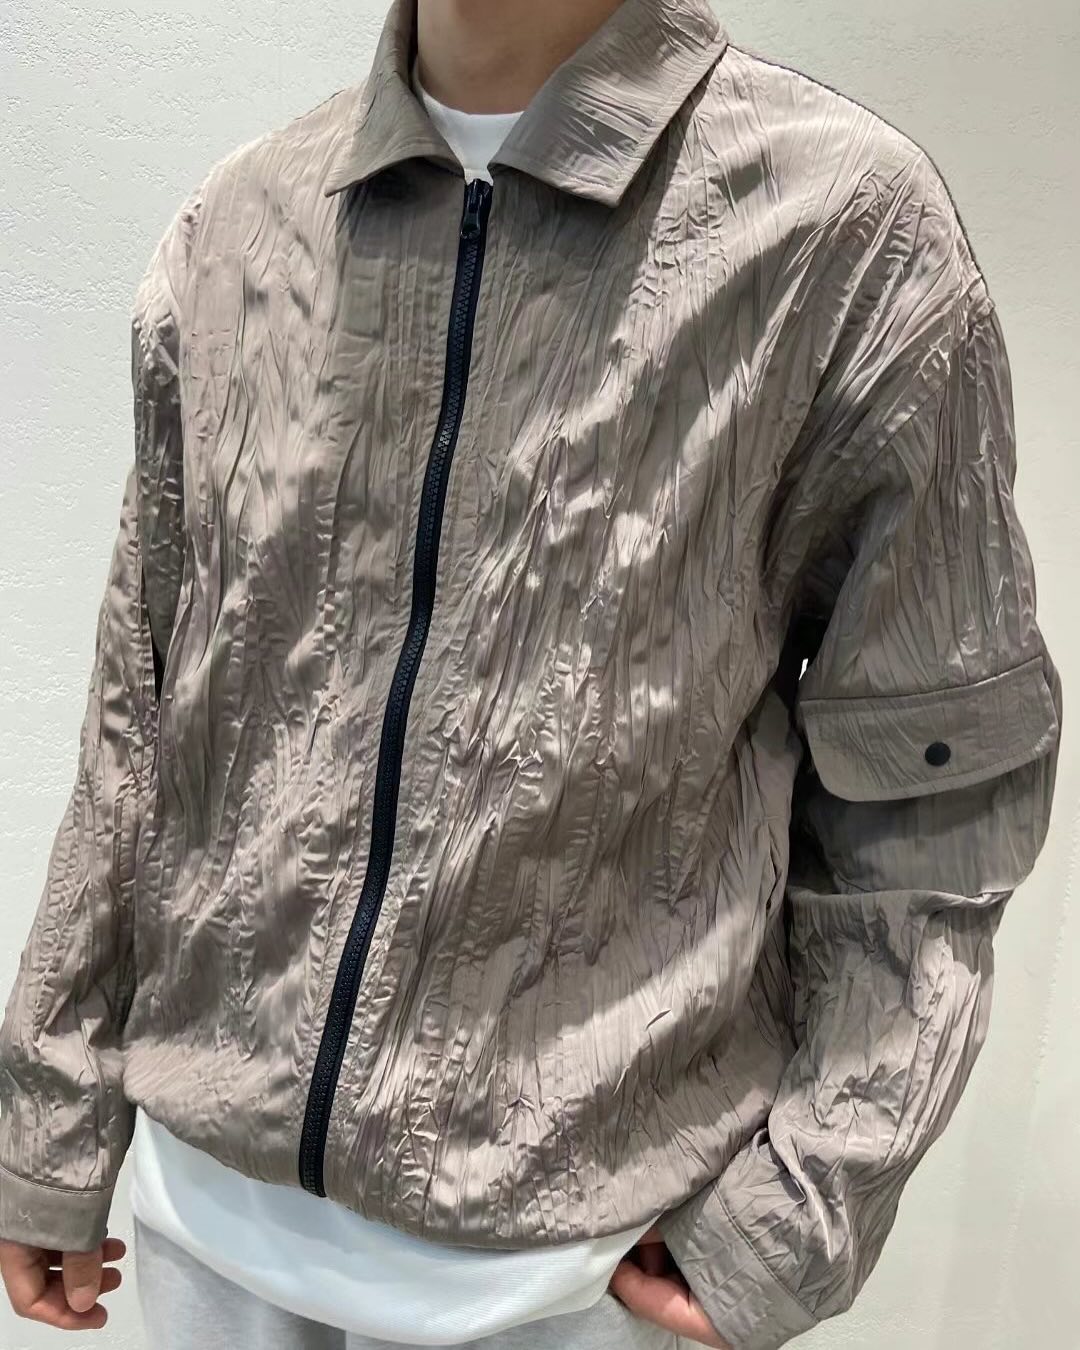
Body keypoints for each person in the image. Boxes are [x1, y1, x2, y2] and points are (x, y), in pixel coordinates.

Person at [0, 0, 1064, 1346]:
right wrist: (52, 1109)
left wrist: (802, 1206)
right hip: (205, 1228)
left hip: (574, 1274)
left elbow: (935, 781)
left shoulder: (840, 231)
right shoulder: (239, 229)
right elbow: (142, 719)